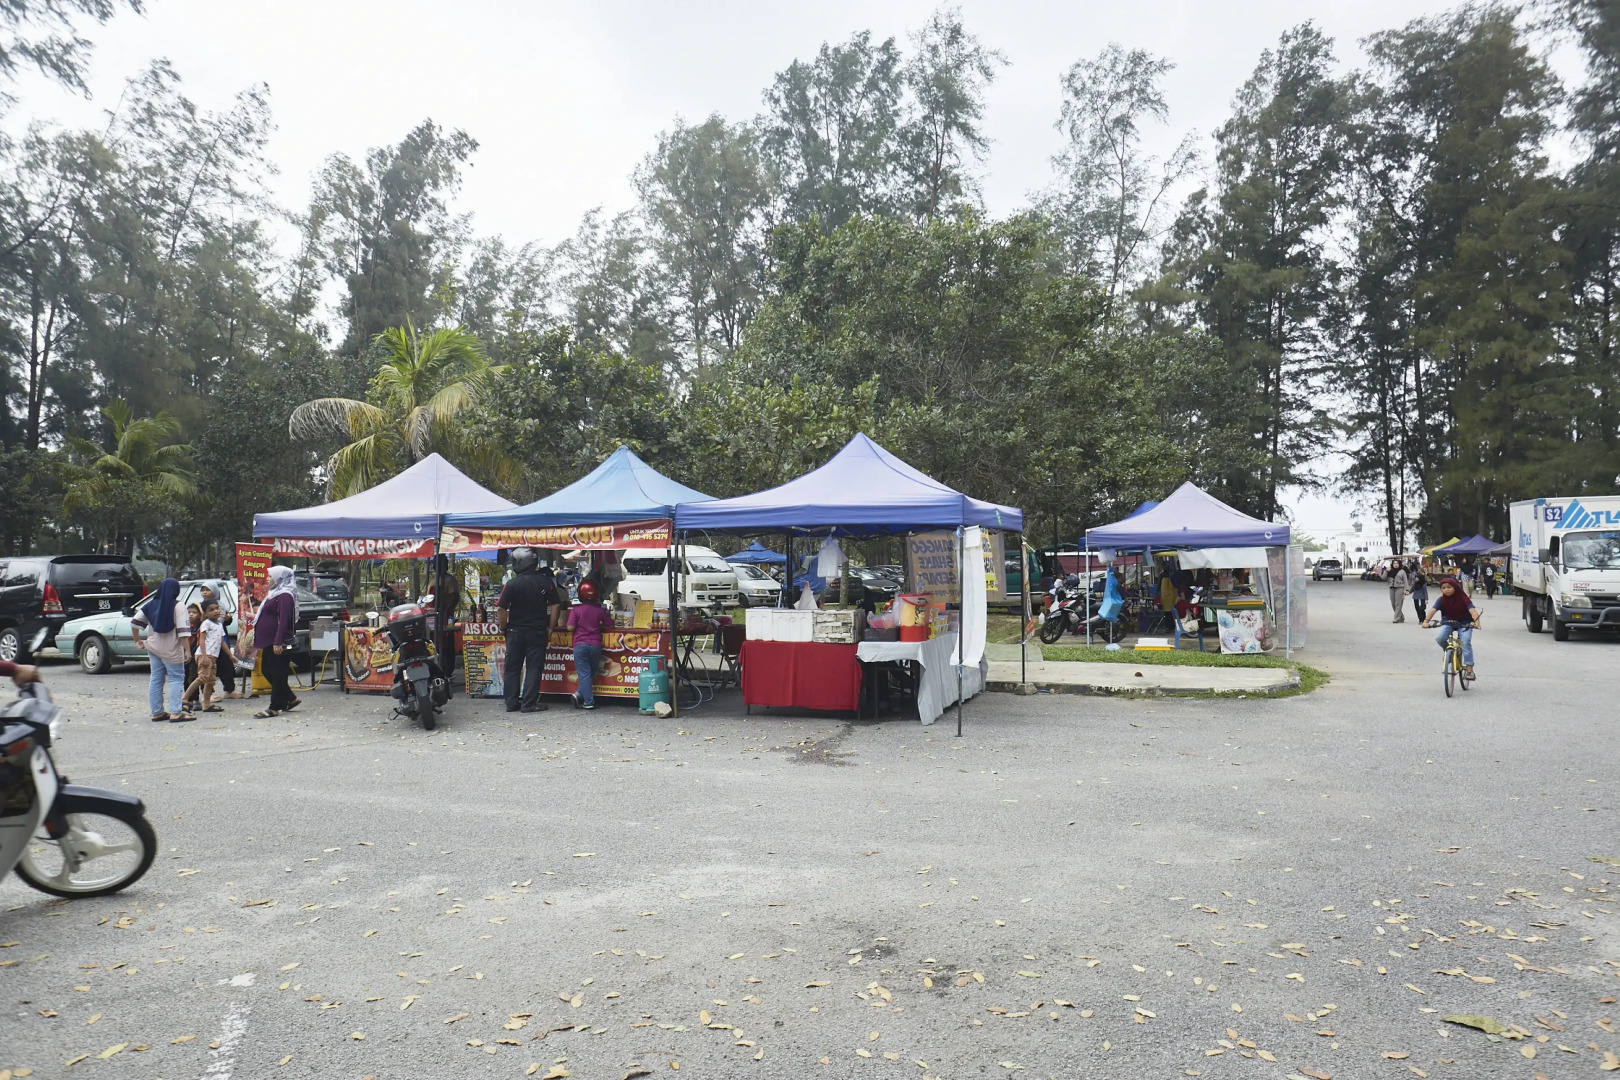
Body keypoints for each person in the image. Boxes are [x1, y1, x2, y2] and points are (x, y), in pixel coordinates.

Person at [130, 578, 195, 722]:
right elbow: (183, 632)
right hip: (171, 649)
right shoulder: (178, 606)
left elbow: (134, 623)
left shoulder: (151, 604)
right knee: (176, 679)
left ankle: (157, 712)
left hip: (153, 648)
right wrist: (188, 651)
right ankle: (176, 713)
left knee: (156, 679)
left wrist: (137, 641)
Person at [497, 547, 553, 713]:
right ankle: (529, 703)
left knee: (512, 668)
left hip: (515, 632)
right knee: (533, 668)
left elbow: (501, 608)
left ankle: (511, 703)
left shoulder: (512, 584)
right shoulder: (545, 582)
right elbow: (557, 604)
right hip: (537, 632)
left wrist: (503, 626)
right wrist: (552, 626)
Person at [254, 565, 300, 718]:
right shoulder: (274, 593)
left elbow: (284, 620)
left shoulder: (285, 595)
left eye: (270, 576)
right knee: (267, 670)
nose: (267, 579)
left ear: (280, 578)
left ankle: (274, 707)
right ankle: (291, 698)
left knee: (277, 673)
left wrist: (278, 641)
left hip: (277, 641)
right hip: (269, 640)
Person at [1424, 576, 1482, 680]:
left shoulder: (1463, 598)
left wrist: (1476, 622)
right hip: (1448, 622)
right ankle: (1448, 653)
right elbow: (1433, 610)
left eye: (1449, 587)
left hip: (1464, 623)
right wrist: (1426, 621)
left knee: (1465, 643)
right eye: (1444, 588)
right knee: (1440, 638)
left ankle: (1469, 670)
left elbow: (1472, 611)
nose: (1446, 589)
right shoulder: (1441, 600)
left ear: (1455, 587)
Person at [567, 580, 613, 709]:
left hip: (580, 645)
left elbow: (570, 628)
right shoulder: (599, 610)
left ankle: (588, 701)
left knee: (585, 673)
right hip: (595, 645)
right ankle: (578, 694)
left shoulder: (576, 610)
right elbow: (610, 623)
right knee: (592, 671)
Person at [184, 602, 227, 713]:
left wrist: (231, 656)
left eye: (217, 608)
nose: (216, 611)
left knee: (210, 681)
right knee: (202, 678)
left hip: (213, 656)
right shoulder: (206, 623)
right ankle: (184, 699)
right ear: (206, 614)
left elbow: (222, 642)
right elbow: (202, 640)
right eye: (211, 610)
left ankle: (206, 705)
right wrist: (204, 656)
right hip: (205, 655)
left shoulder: (219, 625)